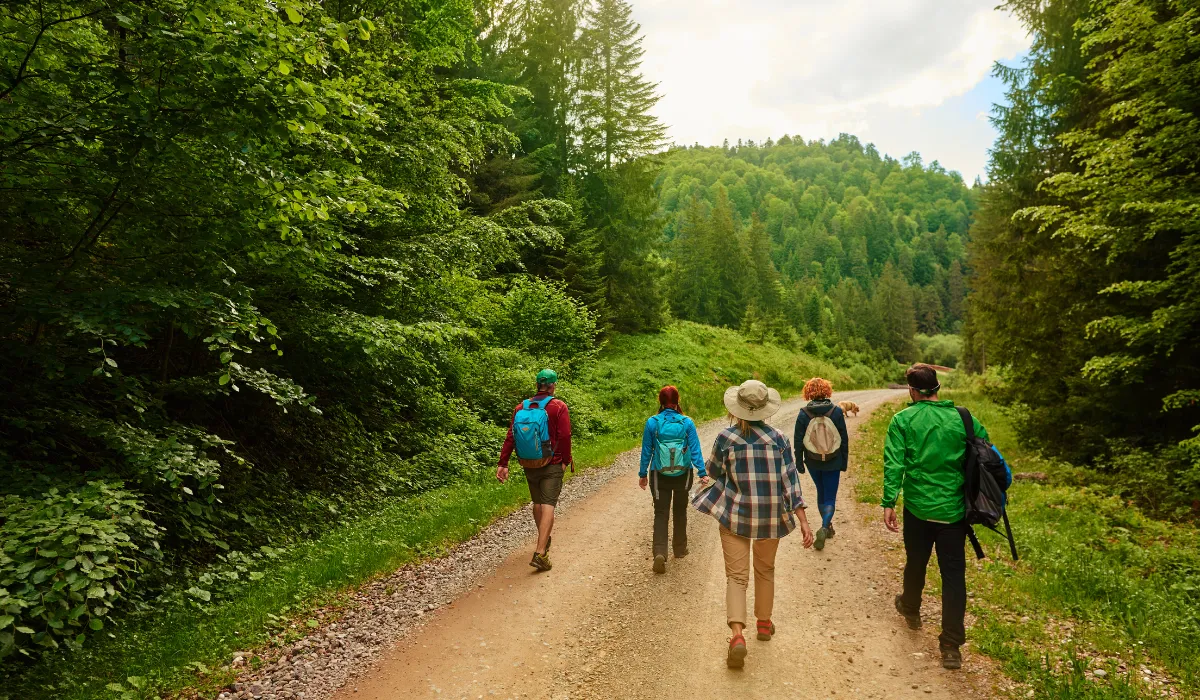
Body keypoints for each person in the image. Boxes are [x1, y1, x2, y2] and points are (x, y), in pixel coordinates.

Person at [692, 379, 815, 669]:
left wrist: (704, 488)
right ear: (765, 409)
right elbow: (790, 482)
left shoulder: (726, 438)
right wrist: (804, 520)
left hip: (735, 515)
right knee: (765, 569)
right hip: (771, 517)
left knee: (736, 577)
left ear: (737, 409)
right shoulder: (780, 440)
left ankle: (737, 635)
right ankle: (763, 623)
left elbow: (712, 474)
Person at [881, 363, 990, 670]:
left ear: (912, 391)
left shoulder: (902, 420)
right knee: (954, 575)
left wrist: (889, 501)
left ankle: (912, 609)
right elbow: (984, 448)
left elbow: (894, 464)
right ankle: (951, 645)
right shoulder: (963, 418)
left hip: (917, 508)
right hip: (954, 511)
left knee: (916, 560)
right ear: (938, 388)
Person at [497, 369, 572, 572]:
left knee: (537, 503)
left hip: (529, 462)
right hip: (552, 463)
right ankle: (540, 553)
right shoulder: (558, 406)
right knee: (548, 504)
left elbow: (511, 436)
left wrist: (503, 463)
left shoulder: (521, 407)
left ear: (537, 384)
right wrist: (566, 460)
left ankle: (543, 541)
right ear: (553, 385)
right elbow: (565, 436)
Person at [639, 385, 708, 574]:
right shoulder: (686, 423)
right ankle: (679, 549)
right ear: (678, 401)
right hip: (683, 473)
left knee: (660, 513)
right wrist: (702, 472)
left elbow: (646, 451)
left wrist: (642, 474)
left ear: (660, 402)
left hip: (658, 473)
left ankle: (660, 552)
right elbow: (695, 449)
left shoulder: (652, 423)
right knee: (680, 510)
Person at [793, 377, 849, 551]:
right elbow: (844, 440)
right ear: (827, 391)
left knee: (821, 492)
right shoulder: (837, 411)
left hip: (813, 460)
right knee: (830, 497)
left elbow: (798, 441)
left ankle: (827, 526)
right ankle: (825, 527)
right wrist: (844, 462)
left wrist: (799, 462)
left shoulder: (803, 413)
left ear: (808, 392)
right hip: (834, 459)